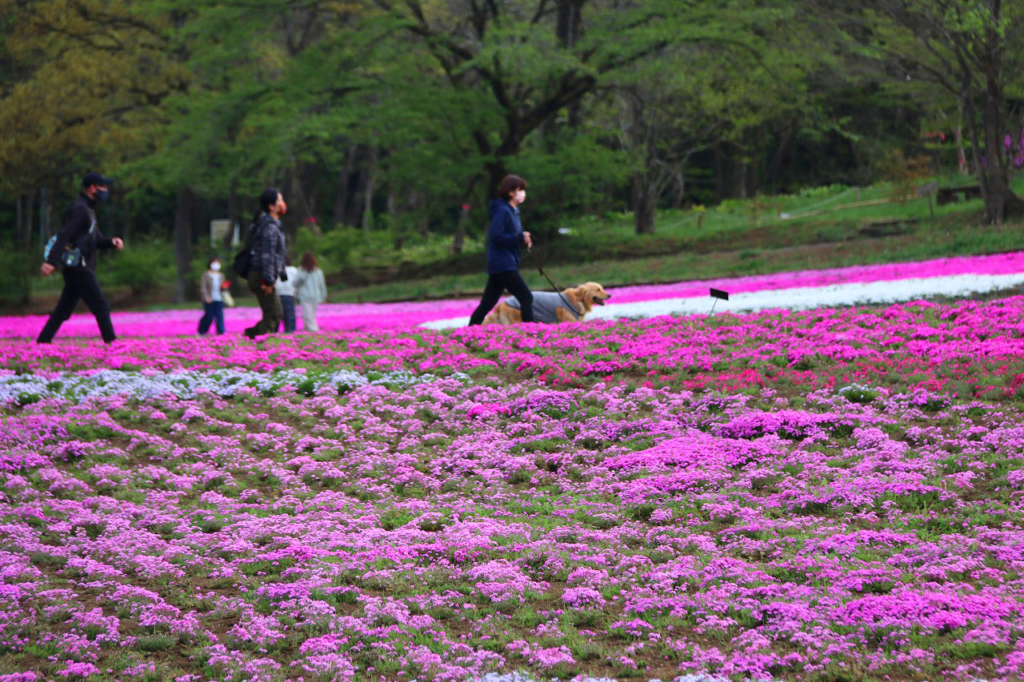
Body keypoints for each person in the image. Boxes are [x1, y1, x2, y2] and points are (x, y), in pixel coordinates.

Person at [37, 172, 125, 344]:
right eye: (103, 187)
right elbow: (65, 234)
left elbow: (96, 240)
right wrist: (51, 261)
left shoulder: (89, 210)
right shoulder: (81, 209)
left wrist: (111, 243)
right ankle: (112, 344)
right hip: (79, 266)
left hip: (78, 266)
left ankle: (43, 341)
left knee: (63, 309)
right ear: (92, 188)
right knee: (101, 306)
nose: (105, 190)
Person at [468, 174, 534, 325]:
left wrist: (523, 240)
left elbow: (511, 237)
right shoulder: (502, 210)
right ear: (511, 192)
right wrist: (518, 237)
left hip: (504, 262)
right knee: (526, 297)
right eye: (520, 189)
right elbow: (497, 236)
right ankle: (531, 332)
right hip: (503, 263)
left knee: (487, 303)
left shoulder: (514, 211)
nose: (523, 193)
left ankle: (469, 331)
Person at [243, 188, 288, 339]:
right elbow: (267, 255)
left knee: (275, 313)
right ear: (272, 206)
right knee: (273, 313)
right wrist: (267, 280)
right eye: (280, 200)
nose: (283, 204)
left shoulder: (272, 224)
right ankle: (259, 343)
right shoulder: (269, 227)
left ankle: (251, 336)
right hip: (261, 276)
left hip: (263, 275)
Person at [293, 251, 327, 332]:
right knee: (310, 315)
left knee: (308, 315)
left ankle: (313, 330)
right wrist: (324, 295)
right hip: (315, 296)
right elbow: (322, 285)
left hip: (305, 296)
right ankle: (313, 330)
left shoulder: (302, 270)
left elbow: (296, 284)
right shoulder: (318, 271)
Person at [198, 257, 227, 336]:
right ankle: (202, 331)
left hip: (219, 298)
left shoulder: (221, 275)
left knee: (219, 316)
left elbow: (222, 287)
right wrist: (206, 296)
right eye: (214, 262)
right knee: (209, 316)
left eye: (218, 262)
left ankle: (221, 332)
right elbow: (203, 287)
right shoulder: (206, 275)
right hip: (209, 299)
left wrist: (224, 288)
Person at [277, 257, 298, 333]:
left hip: (278, 294)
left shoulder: (276, 269)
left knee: (278, 315)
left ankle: (275, 332)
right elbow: (296, 282)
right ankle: (290, 331)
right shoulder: (293, 270)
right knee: (289, 314)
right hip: (289, 294)